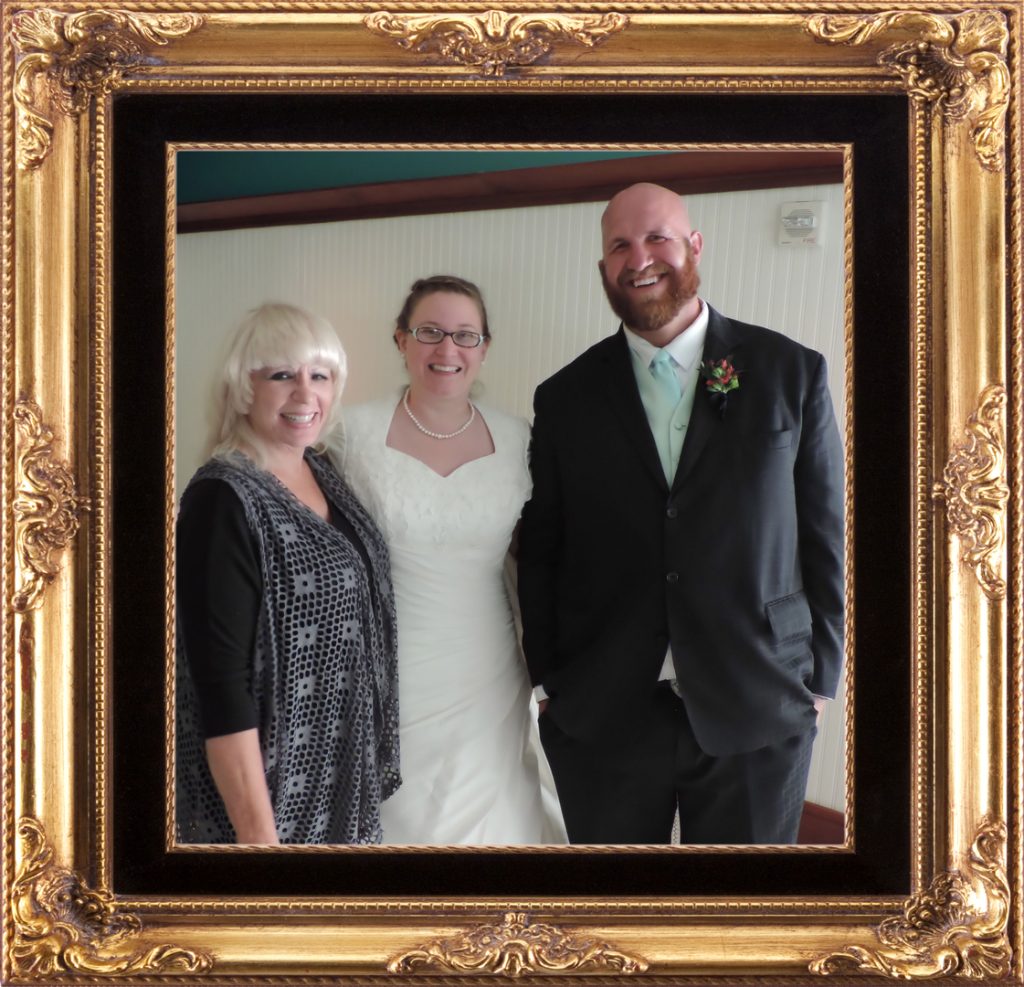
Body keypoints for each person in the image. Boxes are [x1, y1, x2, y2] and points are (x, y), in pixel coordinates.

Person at [517, 183, 844, 845]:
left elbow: (824, 531)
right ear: (604, 268)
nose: (640, 257)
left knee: (740, 919)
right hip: (604, 706)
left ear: (694, 245)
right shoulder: (565, 397)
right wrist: (549, 677)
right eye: (620, 245)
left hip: (758, 696)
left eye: (658, 237)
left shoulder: (790, 372)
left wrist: (820, 679)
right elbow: (545, 546)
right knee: (614, 919)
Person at [334, 275, 565, 844]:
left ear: (484, 347)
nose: (447, 350)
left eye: (465, 336)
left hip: (486, 660)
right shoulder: (348, 433)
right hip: (386, 658)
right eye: (430, 332)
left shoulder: (518, 439)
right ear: (401, 341)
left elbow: (542, 550)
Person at [175, 302, 399, 844]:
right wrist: (261, 847)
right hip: (264, 802)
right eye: (281, 375)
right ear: (241, 388)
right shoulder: (222, 498)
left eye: (319, 375)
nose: (305, 394)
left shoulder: (323, 470)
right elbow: (221, 691)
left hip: (338, 780)